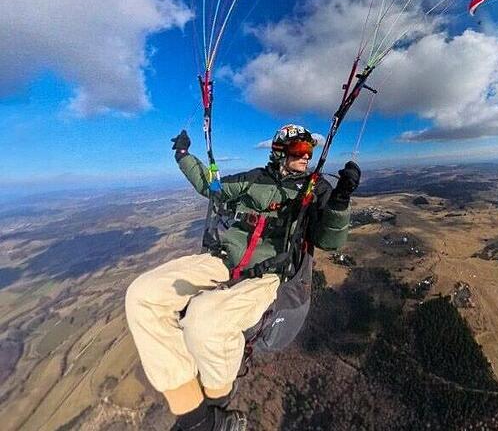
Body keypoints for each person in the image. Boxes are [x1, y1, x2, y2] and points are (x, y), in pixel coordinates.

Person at [125, 124, 360, 431]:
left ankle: (212, 406)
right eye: (300, 151)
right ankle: (200, 417)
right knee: (142, 295)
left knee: (203, 319)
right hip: (223, 259)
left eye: (309, 152)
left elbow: (330, 241)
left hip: (270, 273)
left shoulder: (316, 190)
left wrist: (340, 201)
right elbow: (211, 185)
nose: (307, 157)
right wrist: (183, 155)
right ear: (280, 153)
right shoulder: (254, 179)